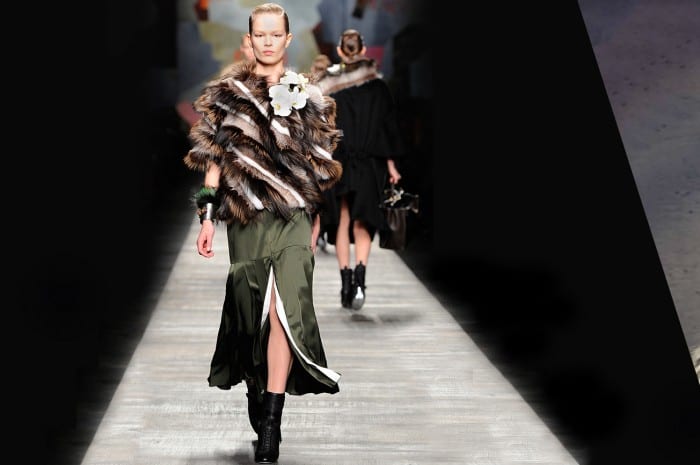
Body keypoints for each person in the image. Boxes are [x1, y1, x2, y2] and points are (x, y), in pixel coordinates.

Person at [182, 3, 343, 463]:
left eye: (276, 34)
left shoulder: (307, 96)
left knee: (284, 310)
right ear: (249, 40)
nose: (268, 42)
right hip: (246, 219)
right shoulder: (227, 97)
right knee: (251, 313)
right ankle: (257, 388)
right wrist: (207, 217)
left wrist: (316, 216)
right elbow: (213, 161)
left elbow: (318, 164)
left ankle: (272, 422)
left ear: (288, 40)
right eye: (261, 34)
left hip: (293, 216)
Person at [315, 28, 404, 310]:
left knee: (343, 218)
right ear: (363, 50)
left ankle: (345, 281)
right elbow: (388, 128)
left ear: (339, 51)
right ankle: (360, 279)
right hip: (370, 161)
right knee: (363, 220)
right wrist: (391, 164)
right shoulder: (378, 86)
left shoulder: (329, 84)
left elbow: (321, 128)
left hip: (340, 159)